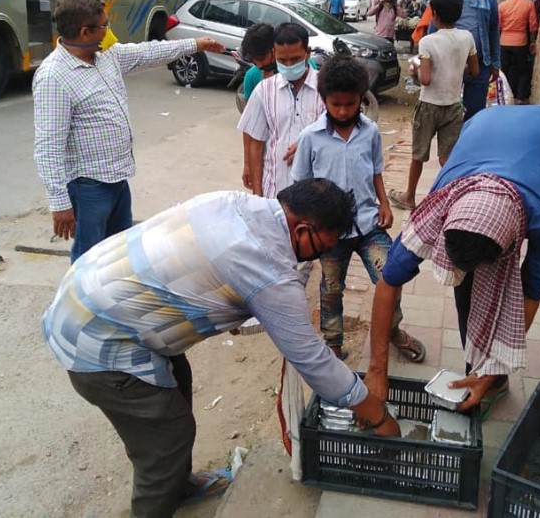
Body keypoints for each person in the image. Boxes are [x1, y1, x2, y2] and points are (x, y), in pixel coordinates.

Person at [41, 179, 400, 517]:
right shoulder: (268, 268)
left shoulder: (237, 203)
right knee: (167, 437)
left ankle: (177, 485)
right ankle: (158, 499)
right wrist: (376, 413)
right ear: (302, 228)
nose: (316, 258)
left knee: (176, 385)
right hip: (98, 341)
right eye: (321, 248)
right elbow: (311, 358)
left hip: (88, 291)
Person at [365, 105, 540, 422]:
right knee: (466, 282)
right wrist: (376, 371)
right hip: (483, 134)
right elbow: (388, 282)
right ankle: (484, 378)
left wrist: (497, 362)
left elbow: (530, 293)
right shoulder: (440, 203)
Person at [33, 0, 224, 262]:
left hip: (117, 179)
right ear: (85, 31)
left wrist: (196, 44)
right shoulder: (54, 77)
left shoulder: (105, 56)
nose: (108, 31)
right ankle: (87, 304)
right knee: (89, 260)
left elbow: (147, 53)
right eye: (104, 26)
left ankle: (115, 301)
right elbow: (48, 147)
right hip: (88, 187)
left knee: (120, 253)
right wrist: (59, 203)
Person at [292, 55, 426, 362]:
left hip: (368, 225)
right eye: (335, 104)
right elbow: (300, 186)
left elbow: (376, 171)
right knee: (331, 289)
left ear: (361, 100)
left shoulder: (371, 132)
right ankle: (333, 343)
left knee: (391, 276)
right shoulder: (310, 138)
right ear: (324, 100)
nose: (342, 111)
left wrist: (384, 204)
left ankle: (392, 330)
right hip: (329, 233)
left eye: (349, 104)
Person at [388, 0, 479, 212]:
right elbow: (474, 71)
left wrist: (416, 68)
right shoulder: (467, 37)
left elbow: (425, 80)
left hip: (429, 105)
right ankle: (451, 199)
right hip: (453, 105)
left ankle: (409, 196)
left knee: (418, 155)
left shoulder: (428, 41)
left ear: (434, 14)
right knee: (447, 157)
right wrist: (456, 70)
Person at [237, 23, 325, 198]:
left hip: (317, 193)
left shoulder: (326, 87)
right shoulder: (264, 90)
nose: (289, 65)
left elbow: (341, 132)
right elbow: (255, 142)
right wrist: (257, 196)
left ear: (307, 53)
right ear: (274, 53)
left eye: (295, 59)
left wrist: (309, 142)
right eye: (283, 60)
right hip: (275, 190)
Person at [451, 0, 501, 122]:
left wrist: (495, 63)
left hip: (480, 63)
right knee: (449, 109)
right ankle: (452, 144)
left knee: (475, 109)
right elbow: (434, 29)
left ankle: (469, 140)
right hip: (451, 62)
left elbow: (494, 30)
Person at [498, 0, 538, 103]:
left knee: (505, 70)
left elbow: (498, 26)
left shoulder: (502, 6)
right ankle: (520, 97)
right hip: (521, 42)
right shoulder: (529, 4)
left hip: (504, 41)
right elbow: (533, 25)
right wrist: (532, 42)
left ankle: (506, 96)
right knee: (521, 70)